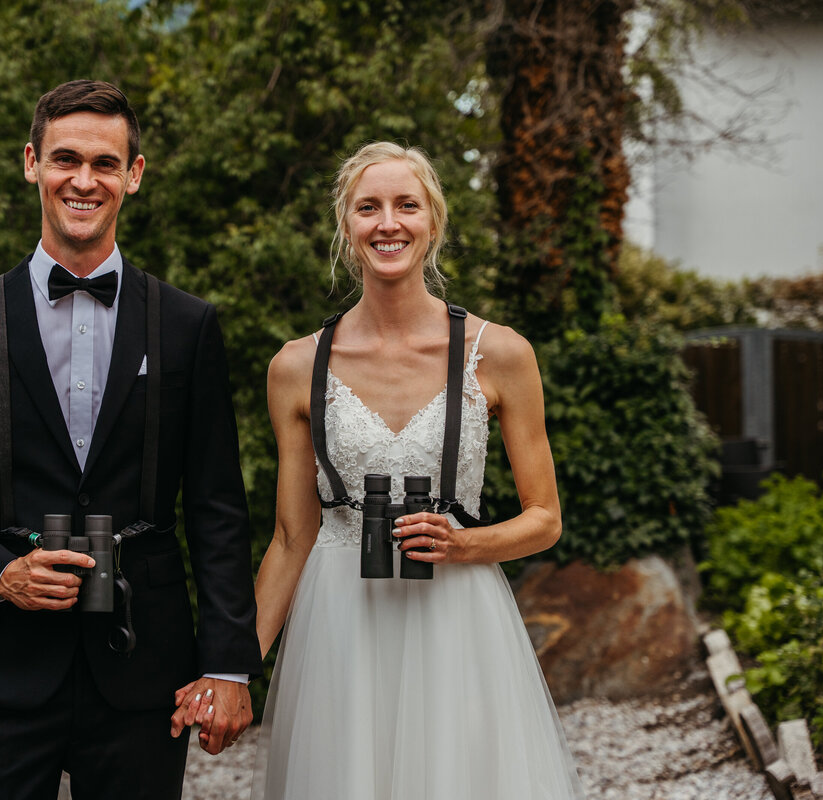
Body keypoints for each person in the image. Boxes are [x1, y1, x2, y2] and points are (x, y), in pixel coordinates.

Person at [0, 79, 262, 800]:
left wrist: (228, 665)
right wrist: (2, 573)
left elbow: (217, 508)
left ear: (134, 173)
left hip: (143, 667)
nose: (83, 180)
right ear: (31, 163)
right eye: (65, 159)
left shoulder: (189, 326)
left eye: (103, 162)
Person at [249, 141, 586, 799]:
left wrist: (467, 544)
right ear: (347, 228)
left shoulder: (502, 354)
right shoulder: (296, 367)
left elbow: (545, 520)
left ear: (433, 221)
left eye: (407, 205)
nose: (388, 223)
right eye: (368, 207)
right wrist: (231, 673)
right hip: (340, 622)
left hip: (456, 618)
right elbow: (293, 538)